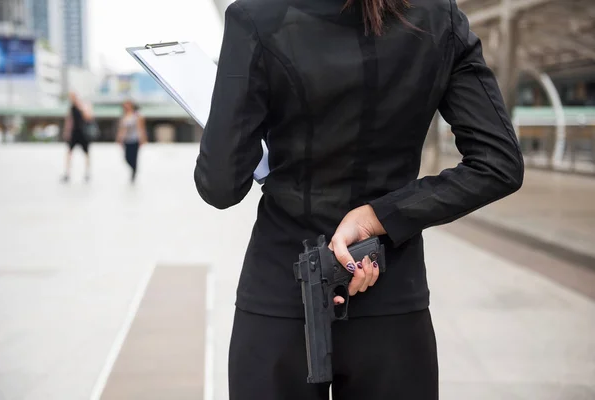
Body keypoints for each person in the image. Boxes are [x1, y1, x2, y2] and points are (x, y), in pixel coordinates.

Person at [194, 0, 525, 399]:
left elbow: (221, 185)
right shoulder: (439, 17)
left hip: (280, 295)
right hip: (391, 296)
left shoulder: (256, 17)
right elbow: (498, 163)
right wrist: (378, 216)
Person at [62, 91, 93, 182]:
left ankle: (87, 173)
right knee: (69, 153)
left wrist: (81, 108)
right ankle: (67, 173)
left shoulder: (84, 105)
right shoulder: (71, 107)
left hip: (83, 133)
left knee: (86, 154)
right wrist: (67, 132)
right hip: (74, 133)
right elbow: (69, 120)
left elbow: (89, 117)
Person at [116, 100, 147, 183]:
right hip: (126, 139)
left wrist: (142, 139)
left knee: (134, 157)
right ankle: (133, 169)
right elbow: (121, 128)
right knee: (127, 157)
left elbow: (140, 128)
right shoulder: (123, 116)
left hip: (135, 139)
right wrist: (119, 138)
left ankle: (134, 171)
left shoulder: (137, 115)